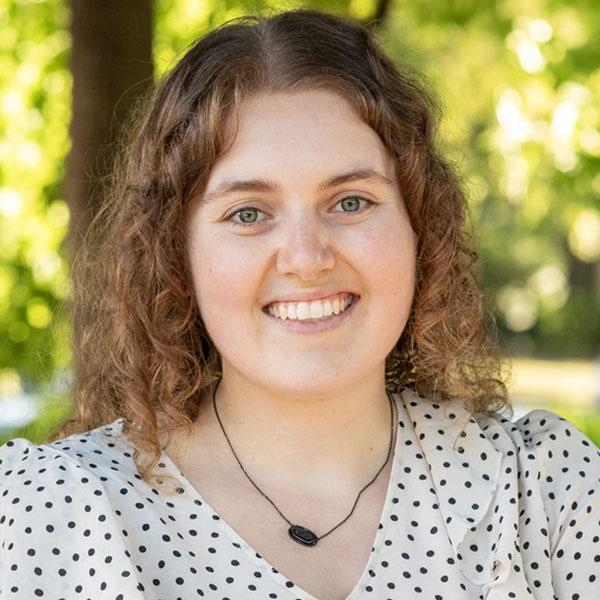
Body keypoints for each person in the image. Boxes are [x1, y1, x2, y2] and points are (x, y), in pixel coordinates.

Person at [1, 9, 598, 600]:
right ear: (175, 256)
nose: (307, 258)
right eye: (249, 214)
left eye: (351, 202)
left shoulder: (545, 491)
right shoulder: (60, 513)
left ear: (420, 225)